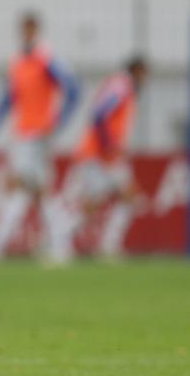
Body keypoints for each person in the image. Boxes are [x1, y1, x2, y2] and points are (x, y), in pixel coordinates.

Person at [0, 13, 79, 265]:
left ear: (37, 31)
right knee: (37, 193)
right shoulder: (17, 62)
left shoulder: (47, 59)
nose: (26, 34)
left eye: (30, 29)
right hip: (22, 132)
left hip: (37, 134)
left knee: (21, 188)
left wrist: (58, 122)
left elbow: (73, 89)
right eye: (23, 30)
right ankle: (61, 248)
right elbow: (7, 100)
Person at [51, 56, 149, 260]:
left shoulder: (120, 85)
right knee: (95, 201)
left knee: (126, 197)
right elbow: (99, 114)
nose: (145, 80)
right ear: (138, 71)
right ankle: (59, 238)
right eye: (144, 74)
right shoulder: (122, 86)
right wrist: (108, 145)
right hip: (97, 153)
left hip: (105, 154)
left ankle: (108, 245)